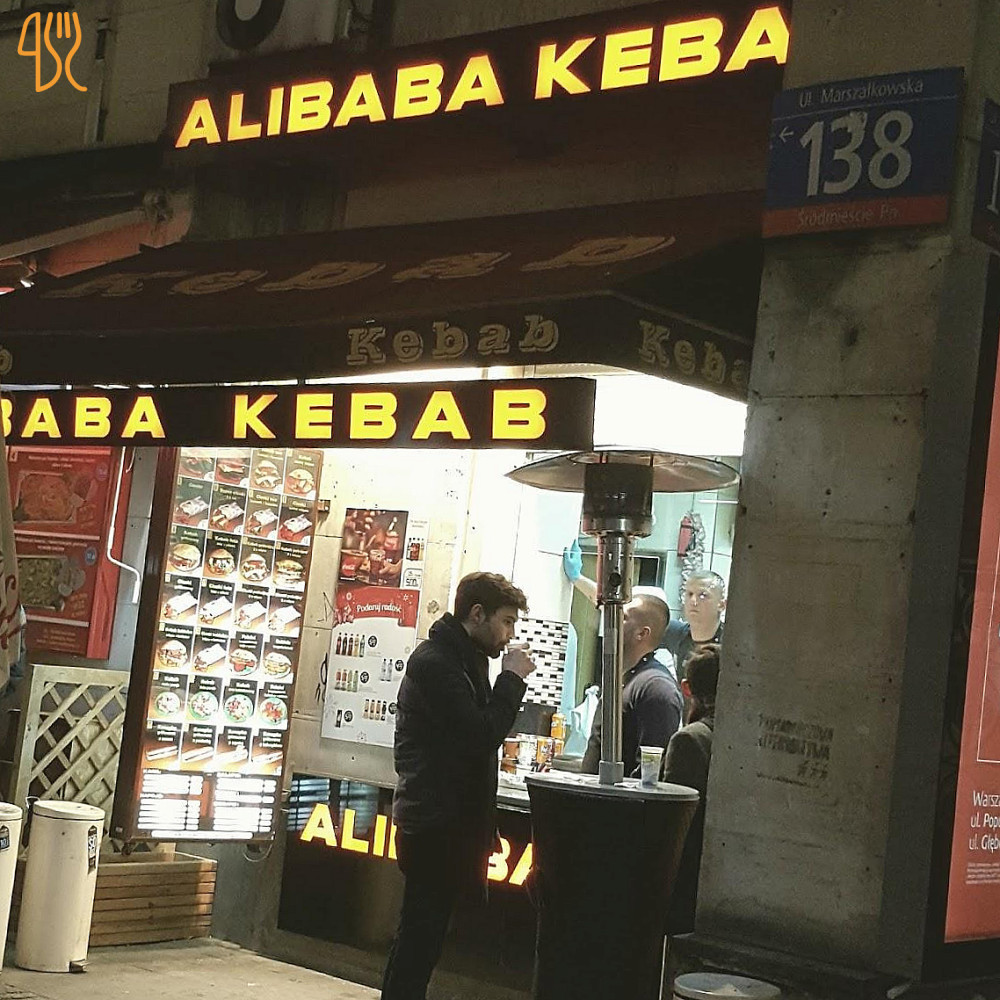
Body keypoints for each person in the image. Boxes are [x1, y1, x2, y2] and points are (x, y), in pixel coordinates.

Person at [381, 572, 536, 1000]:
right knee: (419, 938)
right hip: (432, 825)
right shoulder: (436, 663)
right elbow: (480, 735)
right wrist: (512, 680)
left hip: (448, 823)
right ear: (477, 614)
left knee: (426, 937)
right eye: (506, 622)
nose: (510, 635)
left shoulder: (466, 660)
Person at [580, 592, 682, 777]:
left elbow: (649, 774)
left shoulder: (656, 688)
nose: (611, 622)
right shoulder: (620, 679)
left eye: (622, 617)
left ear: (642, 633)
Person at [660, 642, 719, 934]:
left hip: (681, 887)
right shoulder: (735, 736)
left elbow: (673, 825)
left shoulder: (689, 741)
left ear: (686, 688)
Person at [664, 570, 725, 681]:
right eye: (689, 594)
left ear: (721, 605)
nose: (693, 601)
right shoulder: (674, 632)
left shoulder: (731, 644)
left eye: (703, 595)